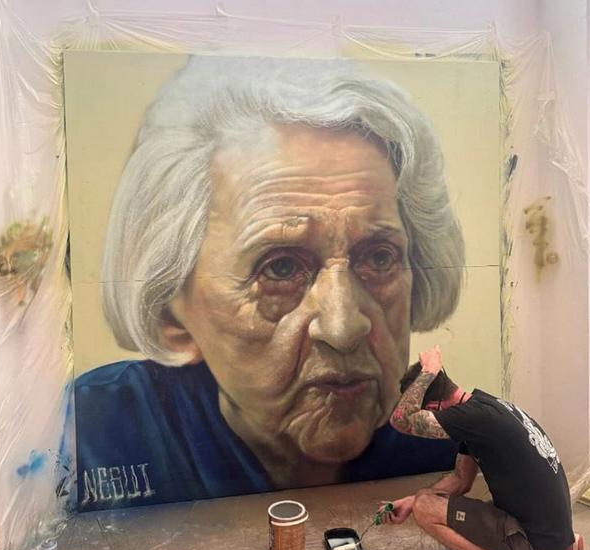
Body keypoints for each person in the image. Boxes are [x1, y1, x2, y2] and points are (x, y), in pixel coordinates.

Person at [73, 56, 468, 510]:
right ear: (171, 312)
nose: (343, 328)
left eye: (379, 258)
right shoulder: (96, 435)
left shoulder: (441, 444)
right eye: (280, 268)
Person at [383, 346, 586, 550]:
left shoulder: (473, 419)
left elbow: (401, 420)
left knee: (425, 509)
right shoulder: (484, 408)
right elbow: (461, 480)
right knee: (427, 508)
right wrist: (412, 500)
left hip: (537, 543)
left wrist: (428, 371)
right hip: (555, 531)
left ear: (432, 408)